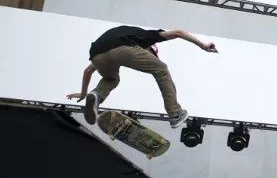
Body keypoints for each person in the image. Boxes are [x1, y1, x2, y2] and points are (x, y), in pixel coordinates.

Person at [66, 25, 218, 128]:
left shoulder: (128, 34)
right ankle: (175, 113)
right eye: (151, 54)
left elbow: (88, 71)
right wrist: (202, 45)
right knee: (161, 69)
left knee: (111, 79)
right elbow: (178, 33)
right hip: (122, 49)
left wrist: (84, 93)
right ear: (149, 48)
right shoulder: (148, 37)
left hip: (96, 55)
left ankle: (96, 95)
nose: (150, 57)